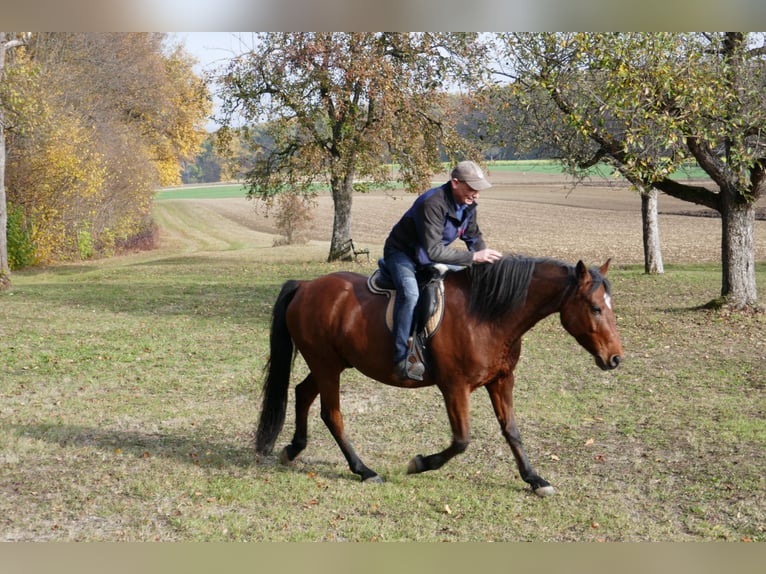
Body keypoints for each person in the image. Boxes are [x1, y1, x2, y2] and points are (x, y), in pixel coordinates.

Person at [381, 160, 503, 381]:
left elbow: (474, 238)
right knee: (410, 294)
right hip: (403, 255)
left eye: (478, 189)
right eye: (472, 187)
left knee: (464, 281)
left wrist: (487, 265)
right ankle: (400, 357)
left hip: (429, 256)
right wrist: (473, 257)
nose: (476, 194)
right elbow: (434, 250)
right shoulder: (431, 203)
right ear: (455, 183)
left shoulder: (468, 205)